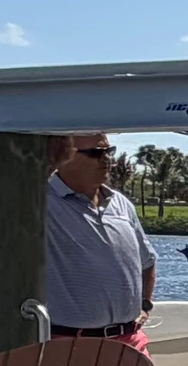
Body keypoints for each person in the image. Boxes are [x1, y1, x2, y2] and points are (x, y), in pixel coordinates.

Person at [44, 133, 156, 346]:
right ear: (62, 158)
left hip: (131, 339)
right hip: (70, 343)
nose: (106, 159)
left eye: (108, 151)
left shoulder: (121, 204)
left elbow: (147, 262)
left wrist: (145, 306)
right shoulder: (41, 203)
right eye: (95, 153)